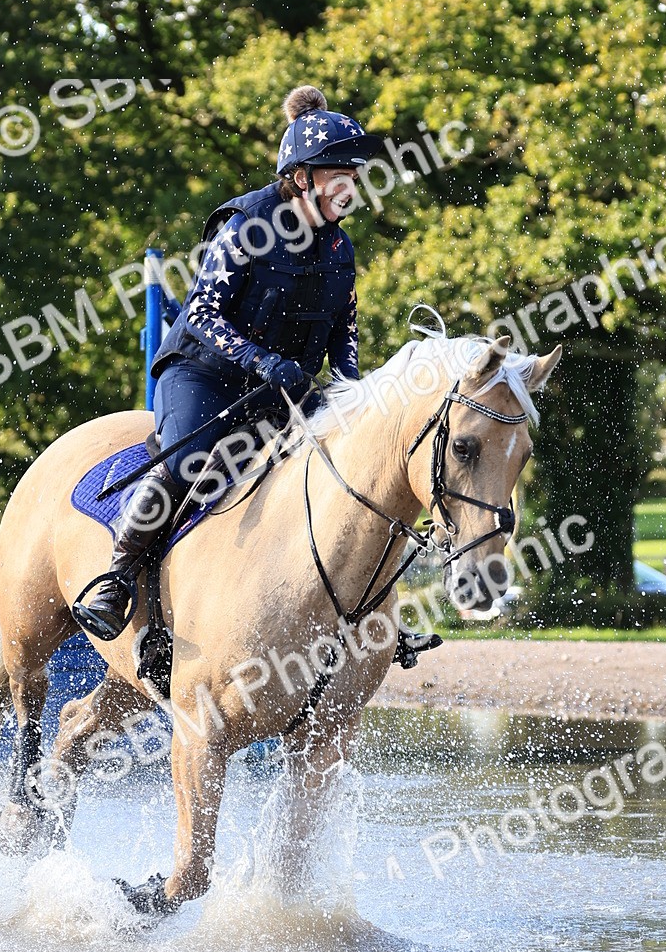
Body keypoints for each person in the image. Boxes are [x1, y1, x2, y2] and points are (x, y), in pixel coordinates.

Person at [72, 85, 437, 666]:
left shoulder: (339, 248)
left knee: (358, 470)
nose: (350, 184)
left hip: (282, 388)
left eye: (353, 173)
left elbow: (343, 331)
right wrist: (264, 362)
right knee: (186, 463)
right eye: (336, 173)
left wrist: (348, 391)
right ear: (300, 178)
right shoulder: (245, 227)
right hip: (203, 373)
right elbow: (201, 314)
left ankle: (374, 606)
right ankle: (118, 579)